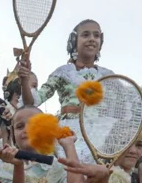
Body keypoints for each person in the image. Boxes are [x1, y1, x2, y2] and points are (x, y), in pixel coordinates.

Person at [19, 19, 112, 164]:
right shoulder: (63, 72)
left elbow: (122, 109)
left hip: (101, 133)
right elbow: (32, 101)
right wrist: (24, 80)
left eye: (96, 35)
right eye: (86, 35)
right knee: (70, 173)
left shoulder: (109, 76)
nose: (92, 39)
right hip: (69, 133)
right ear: (74, 41)